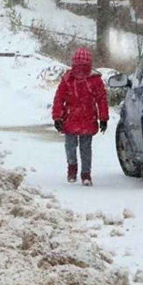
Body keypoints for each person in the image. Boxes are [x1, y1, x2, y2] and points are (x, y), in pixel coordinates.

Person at [51, 47, 109, 186]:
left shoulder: (91, 80)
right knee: (77, 146)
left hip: (81, 118)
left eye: (83, 67)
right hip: (76, 118)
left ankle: (82, 172)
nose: (80, 70)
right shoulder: (70, 80)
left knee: (80, 146)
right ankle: (77, 170)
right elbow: (59, 98)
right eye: (78, 66)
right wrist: (57, 116)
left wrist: (103, 117)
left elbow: (101, 99)